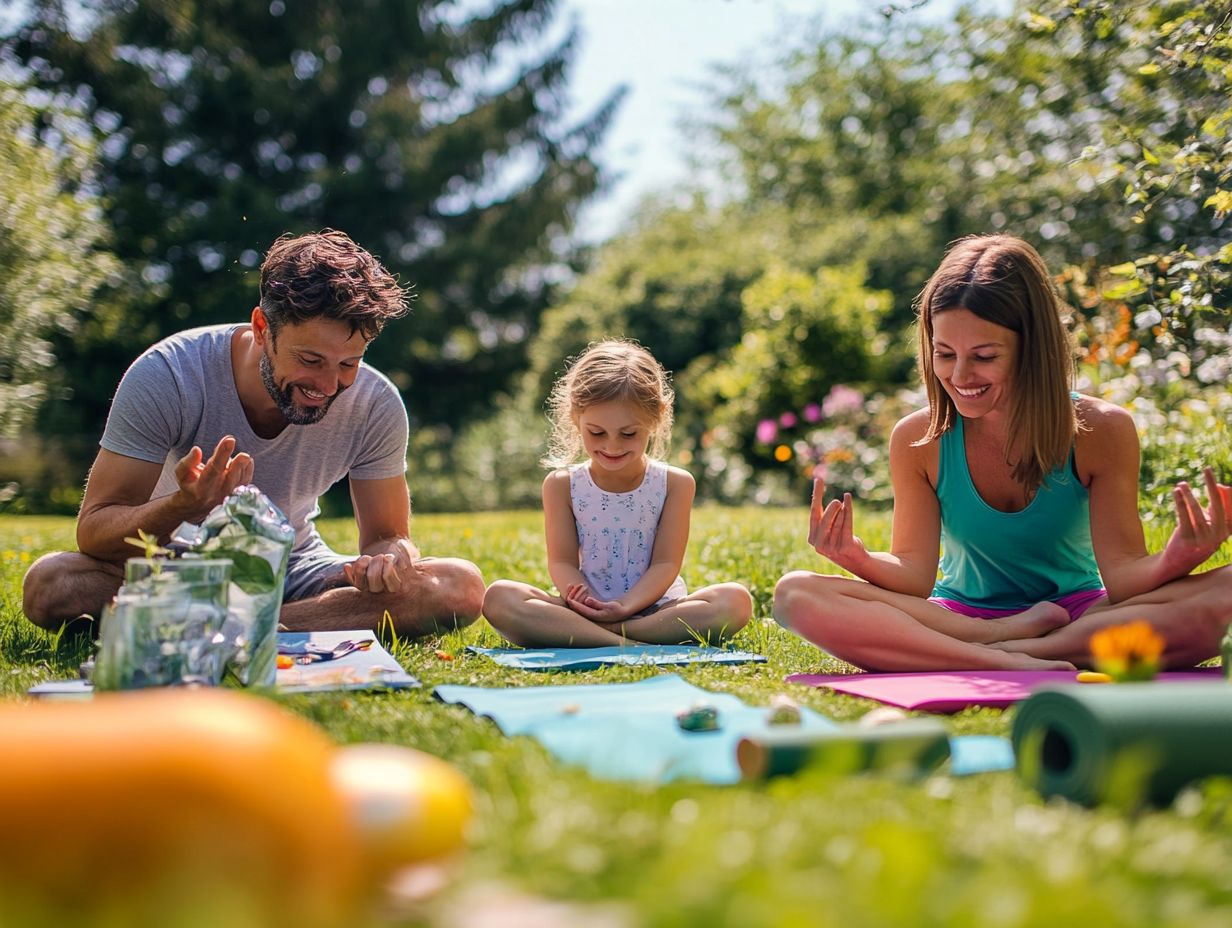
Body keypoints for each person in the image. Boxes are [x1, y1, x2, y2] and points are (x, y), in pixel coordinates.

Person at [773, 234, 1232, 672]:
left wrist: (1181, 555)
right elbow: (914, 575)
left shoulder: (1102, 429)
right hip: (956, 619)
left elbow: (1125, 577)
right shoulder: (918, 438)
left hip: (1079, 615)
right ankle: (998, 652)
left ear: (1032, 349)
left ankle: (1029, 649)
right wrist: (856, 558)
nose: (960, 375)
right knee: (795, 594)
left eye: (985, 356)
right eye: (945, 354)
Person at [22, 230, 484, 638]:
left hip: (294, 568)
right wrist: (182, 505)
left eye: (349, 363)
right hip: (175, 567)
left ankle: (230, 625)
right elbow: (95, 533)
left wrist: (391, 557)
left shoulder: (375, 403)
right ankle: (275, 623)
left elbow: (386, 535)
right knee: (53, 584)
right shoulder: (169, 374)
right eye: (310, 360)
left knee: (458, 587)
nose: (328, 387)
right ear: (263, 328)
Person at [483, 340, 753, 646]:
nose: (612, 446)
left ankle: (609, 637)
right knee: (500, 597)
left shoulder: (675, 483)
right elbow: (562, 562)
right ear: (575, 417)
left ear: (657, 418)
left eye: (628, 434)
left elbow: (665, 564)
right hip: (584, 611)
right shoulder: (561, 484)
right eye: (597, 433)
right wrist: (584, 602)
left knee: (734, 601)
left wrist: (625, 608)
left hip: (658, 610)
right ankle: (625, 641)